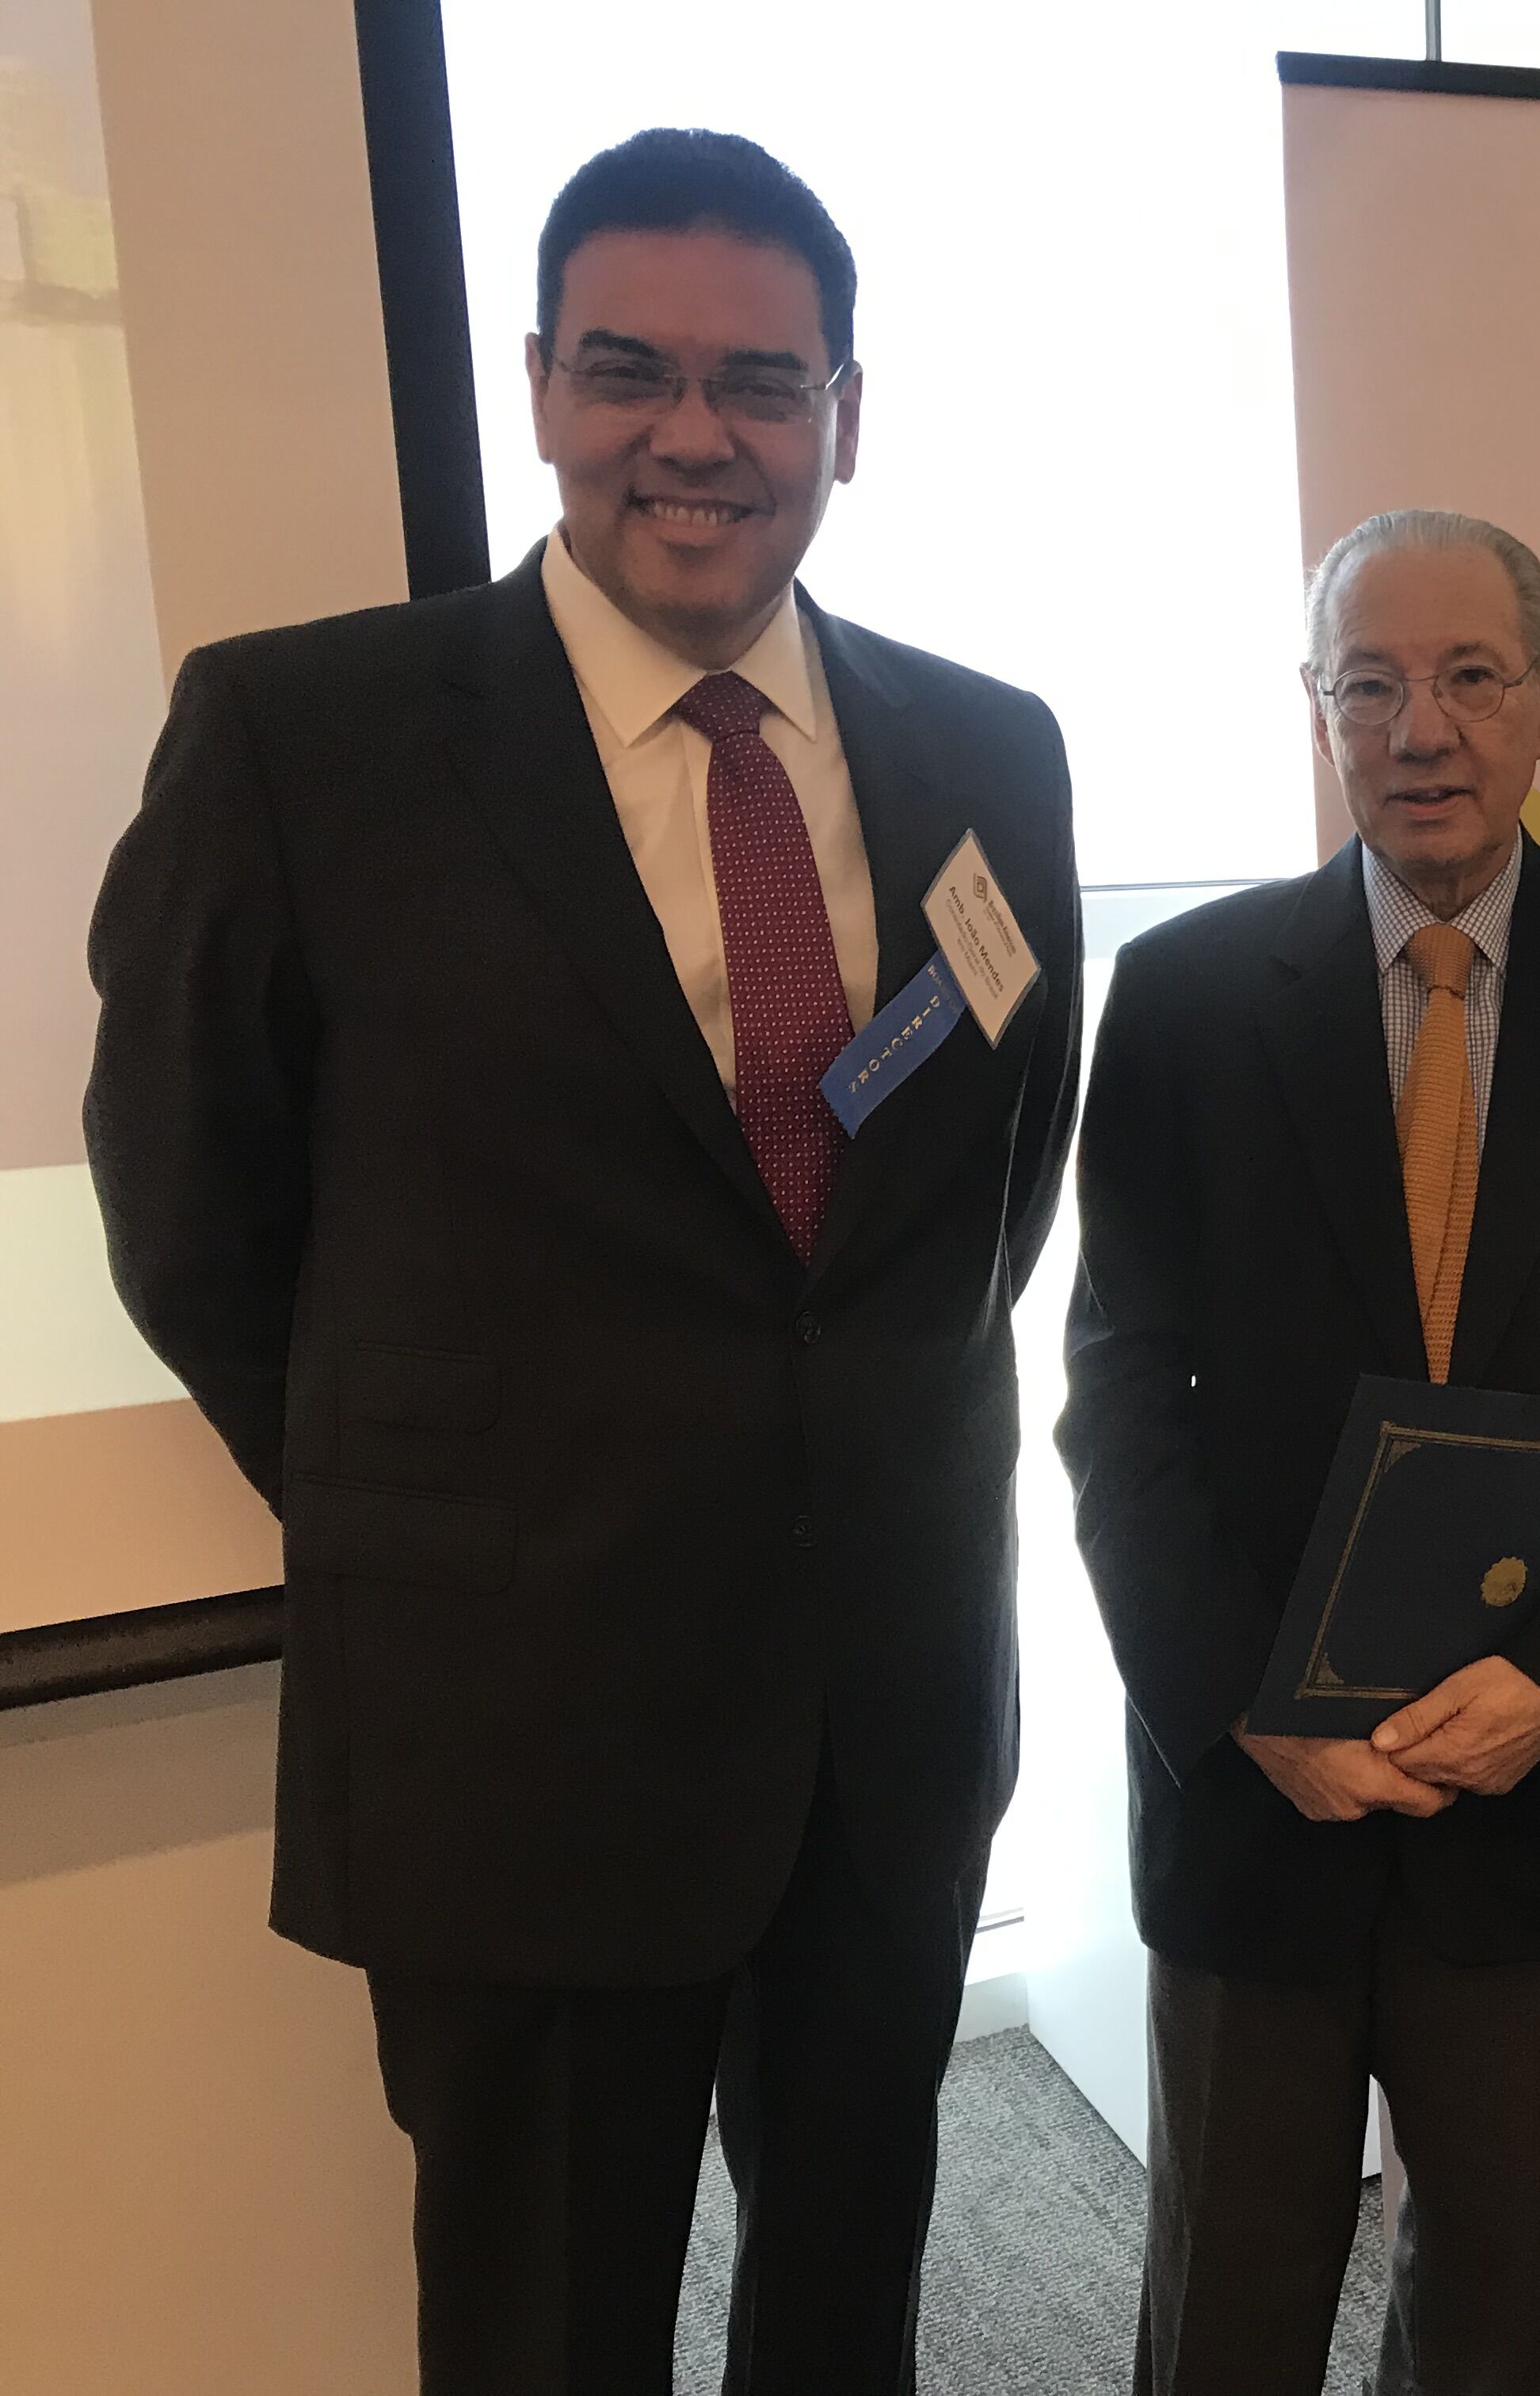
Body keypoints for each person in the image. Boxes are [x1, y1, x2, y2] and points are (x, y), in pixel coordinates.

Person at [82, 131, 1081, 2394]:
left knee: (848, 2303)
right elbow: (190, 1211)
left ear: (846, 410)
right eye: (630, 369)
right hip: (517, 1731)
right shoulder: (306, 739)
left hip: (888, 1713)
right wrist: (459, 1507)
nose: (696, 435)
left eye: (762, 380)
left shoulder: (991, 754)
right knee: (548, 2331)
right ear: (539, 385)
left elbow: (982, 1206)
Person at [1061, 509, 1540, 2396]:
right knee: (1231, 2292)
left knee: (1498, 2290)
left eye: (1471, 676)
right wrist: (1245, 1706)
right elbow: (1119, 1397)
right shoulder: (1188, 1002)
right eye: (1371, 683)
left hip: (1535, 1783)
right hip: (1260, 1787)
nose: (1423, 729)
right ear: (1317, 711)